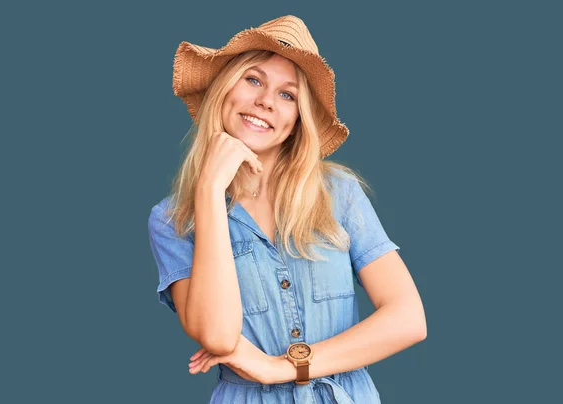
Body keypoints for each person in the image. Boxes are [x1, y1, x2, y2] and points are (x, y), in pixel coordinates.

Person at [148, 15, 426, 403]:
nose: (265, 101)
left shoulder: (337, 193)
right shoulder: (172, 219)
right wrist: (210, 190)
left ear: (297, 121)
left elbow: (408, 318)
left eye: (287, 94)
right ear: (223, 89)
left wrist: (284, 366)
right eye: (253, 80)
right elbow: (217, 336)